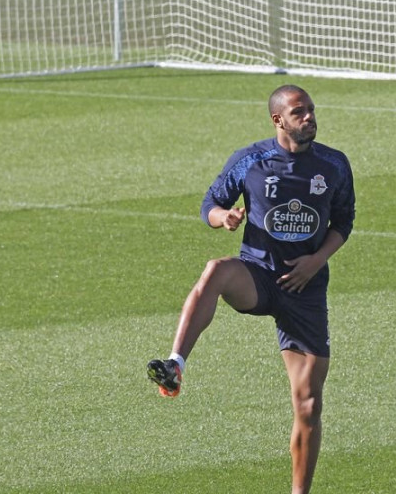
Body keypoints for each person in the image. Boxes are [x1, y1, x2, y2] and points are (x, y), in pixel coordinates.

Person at [147, 84, 355, 494]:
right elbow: (209, 203)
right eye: (299, 112)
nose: (309, 117)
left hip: (306, 290)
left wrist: (316, 261)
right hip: (257, 276)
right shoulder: (250, 160)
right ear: (278, 120)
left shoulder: (333, 164)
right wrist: (222, 216)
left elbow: (343, 222)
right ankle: (175, 365)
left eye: (311, 110)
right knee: (217, 269)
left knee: (308, 405)